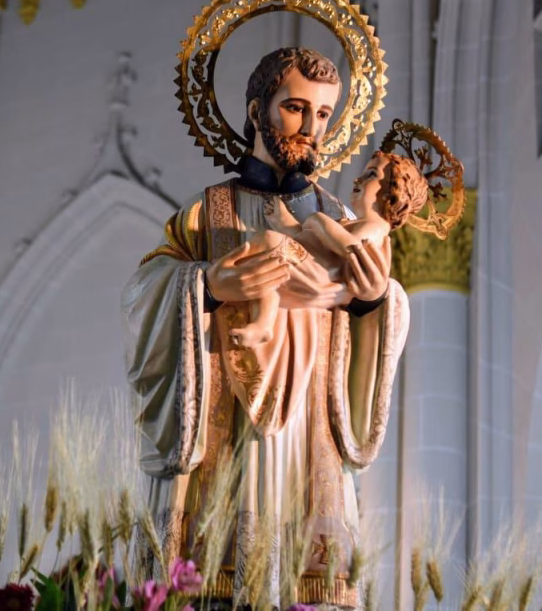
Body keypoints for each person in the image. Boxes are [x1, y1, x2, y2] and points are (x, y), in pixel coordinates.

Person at [123, 47, 410, 608]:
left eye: (323, 114)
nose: (311, 127)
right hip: (221, 430)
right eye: (296, 108)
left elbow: (379, 309)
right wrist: (206, 285)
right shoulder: (206, 214)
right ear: (257, 110)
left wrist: (376, 301)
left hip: (308, 434)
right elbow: (142, 296)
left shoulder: (341, 219)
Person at [228, 150, 429, 348]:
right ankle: (263, 323)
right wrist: (289, 224)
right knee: (269, 264)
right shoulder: (349, 221)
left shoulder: (361, 222)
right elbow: (314, 243)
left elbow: (348, 250)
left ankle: (263, 323)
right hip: (305, 270)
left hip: (320, 283)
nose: (357, 179)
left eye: (371, 174)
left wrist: (316, 220)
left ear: (392, 195)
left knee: (270, 251)